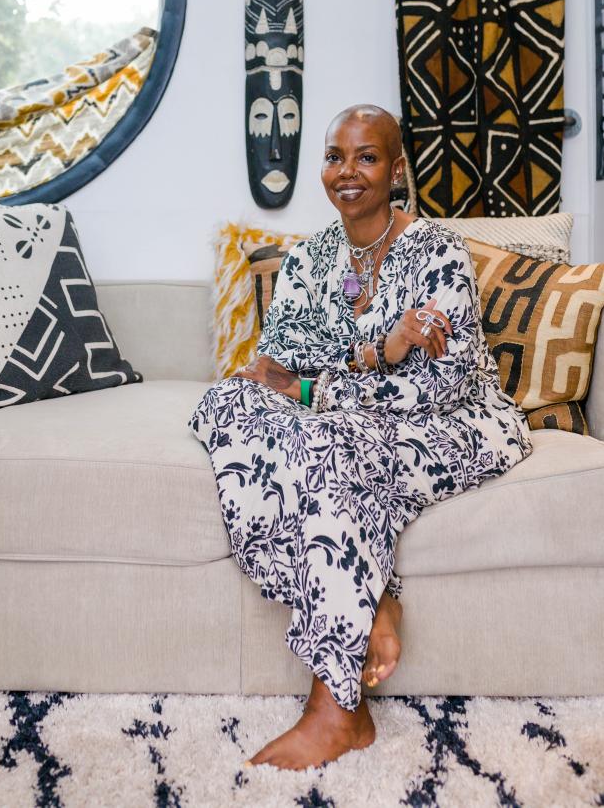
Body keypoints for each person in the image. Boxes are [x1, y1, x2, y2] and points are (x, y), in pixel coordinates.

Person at [189, 103, 534, 772]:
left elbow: (440, 387)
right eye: (333, 156)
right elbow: (276, 363)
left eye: (366, 156)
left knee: (325, 440)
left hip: (455, 426)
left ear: (396, 166)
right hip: (360, 415)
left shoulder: (437, 252)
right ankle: (374, 592)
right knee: (226, 402)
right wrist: (382, 346)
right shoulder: (308, 258)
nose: (346, 172)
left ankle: (335, 707)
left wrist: (320, 385)